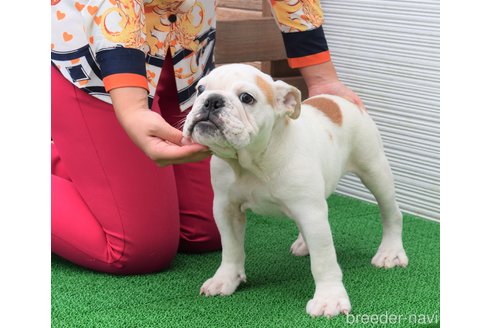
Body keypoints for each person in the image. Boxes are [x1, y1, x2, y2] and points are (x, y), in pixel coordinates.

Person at [51, 0, 363, 275]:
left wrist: (321, 76)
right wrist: (132, 107)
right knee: (136, 250)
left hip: (188, 54)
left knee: (203, 232)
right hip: (96, 59)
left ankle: (77, 162)